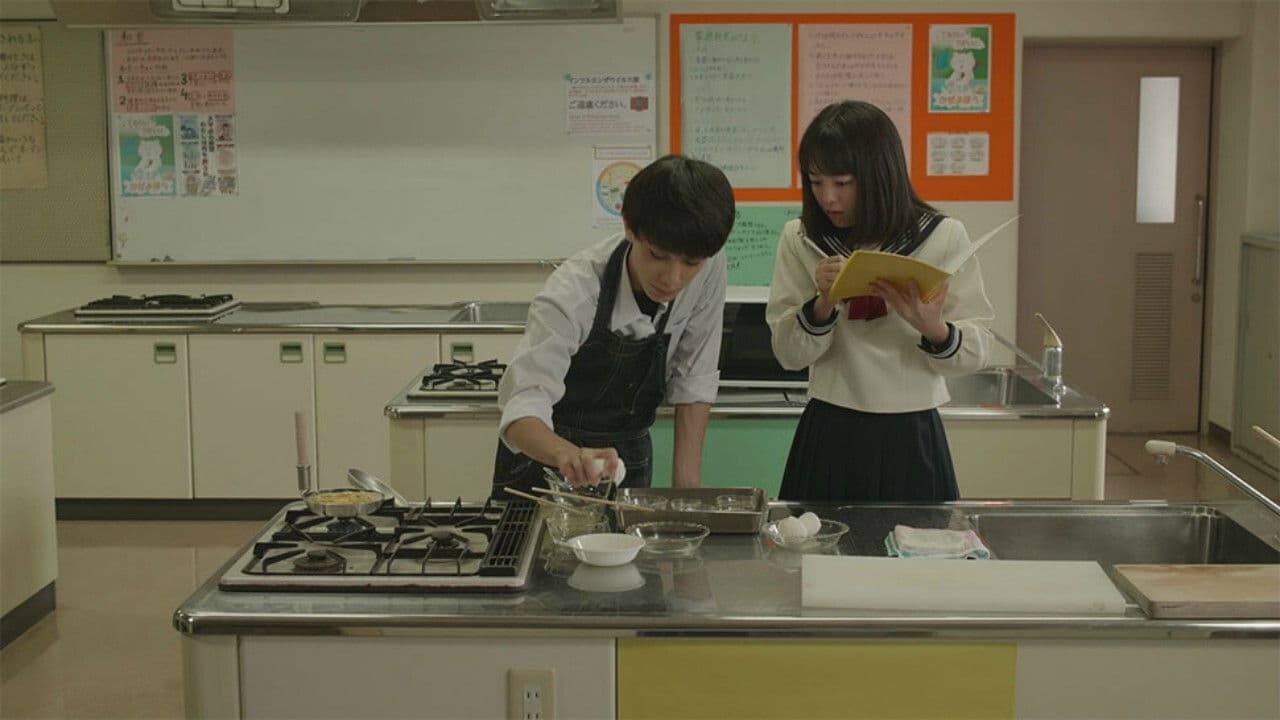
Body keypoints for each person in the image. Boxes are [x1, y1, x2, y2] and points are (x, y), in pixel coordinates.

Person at [766, 100, 995, 502]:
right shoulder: (801, 239)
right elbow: (788, 355)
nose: (828, 198)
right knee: (820, 541)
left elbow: (977, 352)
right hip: (830, 425)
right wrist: (822, 305)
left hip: (912, 429)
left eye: (842, 182)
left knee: (917, 542)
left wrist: (933, 328)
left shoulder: (943, 237)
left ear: (879, 175)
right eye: (816, 182)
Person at [491, 154, 735, 499]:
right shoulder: (574, 292)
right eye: (657, 255)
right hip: (545, 458)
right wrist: (568, 456)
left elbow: (695, 378)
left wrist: (686, 497)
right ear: (629, 228)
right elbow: (522, 404)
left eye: (691, 263)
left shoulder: (708, 263)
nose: (673, 278)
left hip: (629, 452)